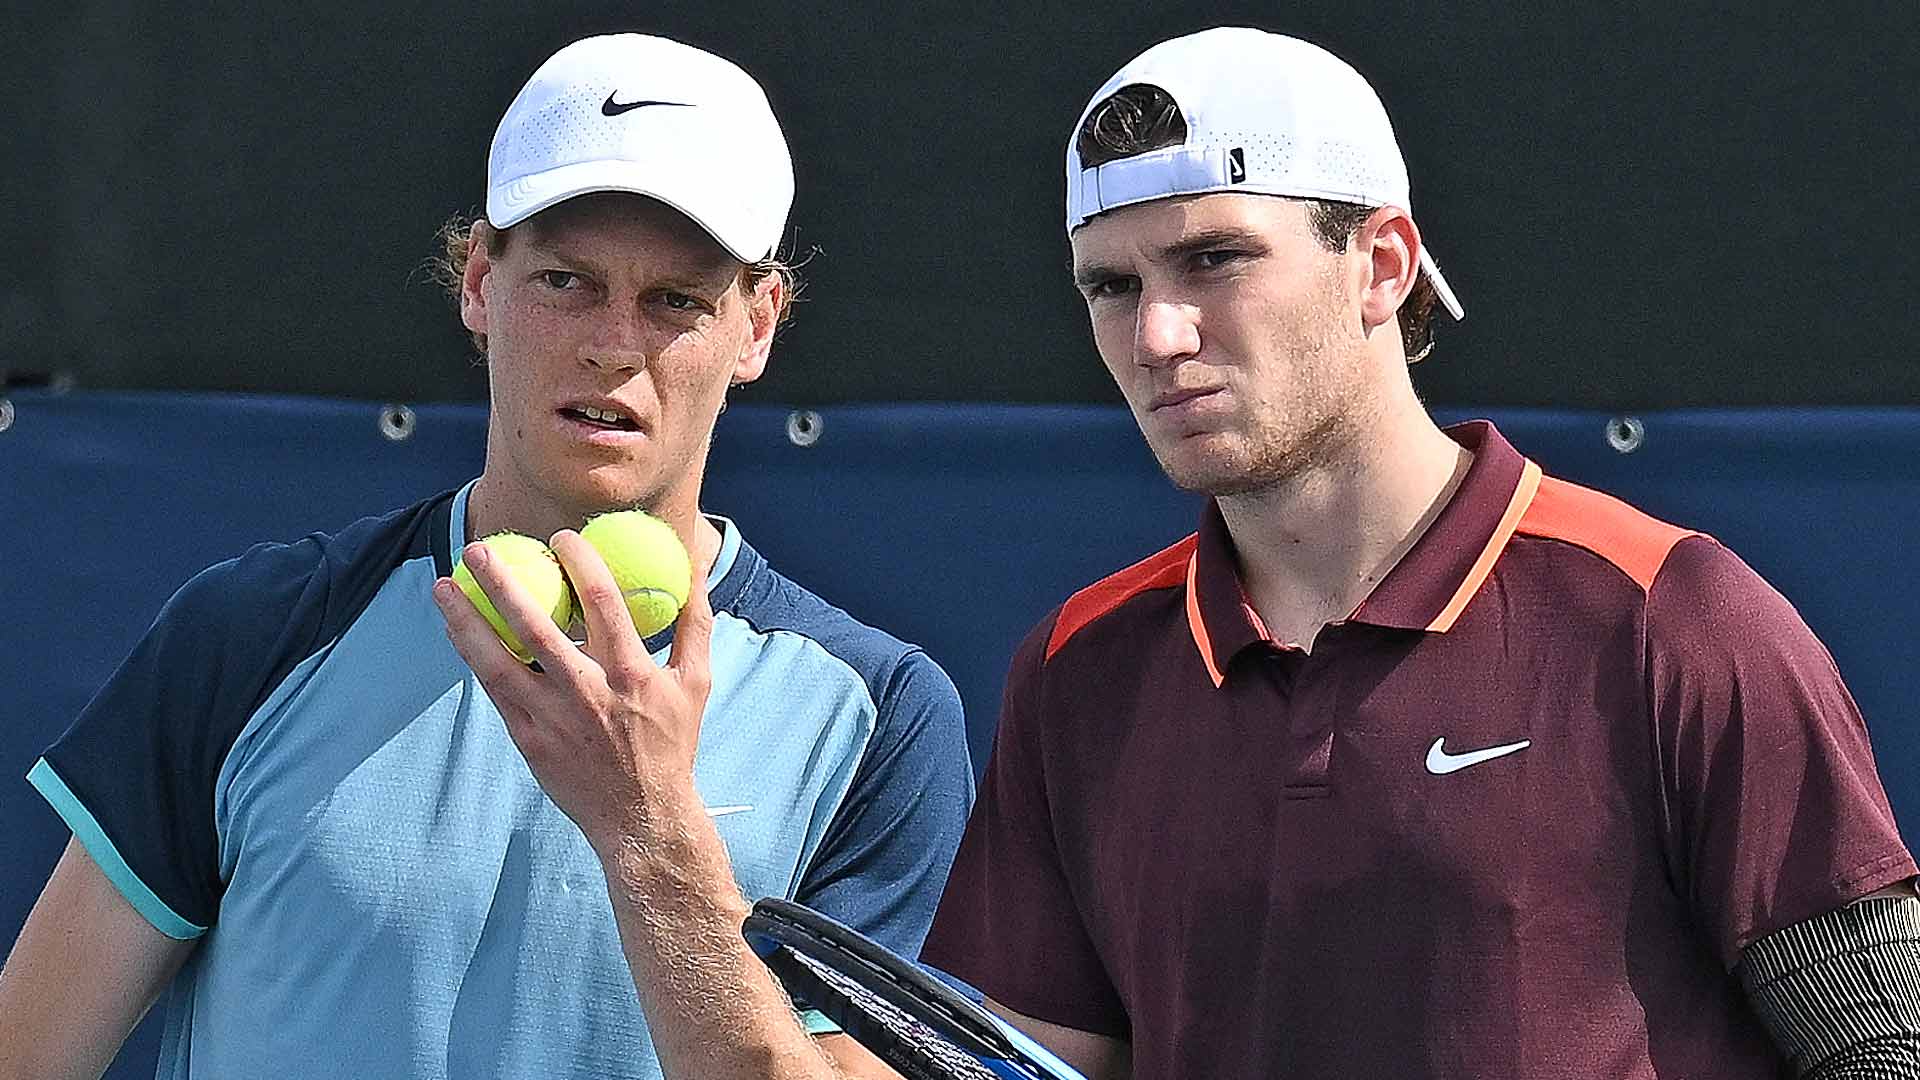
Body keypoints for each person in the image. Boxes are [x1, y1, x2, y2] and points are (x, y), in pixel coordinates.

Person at [920, 26, 1920, 1079]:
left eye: (1213, 259)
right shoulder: (1077, 667)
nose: (1157, 335)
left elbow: (1886, 1051)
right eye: (1110, 287)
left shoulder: (1669, 613)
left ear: (1382, 268)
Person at [0, 33, 971, 1080]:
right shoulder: (250, 634)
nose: (612, 344)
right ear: (477, 282)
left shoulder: (881, 717)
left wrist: (649, 837)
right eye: (565, 280)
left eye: (677, 301)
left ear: (757, 327)